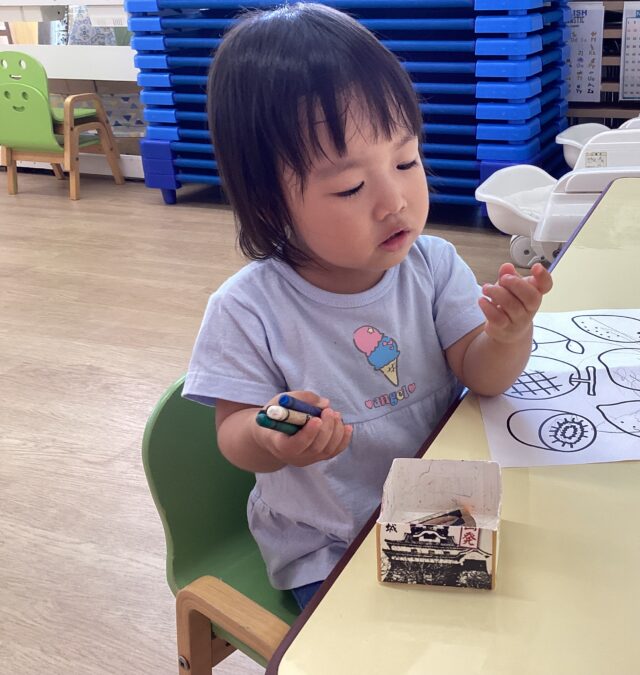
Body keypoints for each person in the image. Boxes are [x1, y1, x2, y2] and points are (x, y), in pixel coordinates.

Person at [184, 2, 553, 612]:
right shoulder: (247, 310)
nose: (394, 200)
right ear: (269, 203)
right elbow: (233, 436)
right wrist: (273, 437)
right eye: (351, 187)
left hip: (441, 508)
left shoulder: (432, 266)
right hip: (328, 543)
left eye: (406, 161)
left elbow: (482, 376)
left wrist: (508, 335)